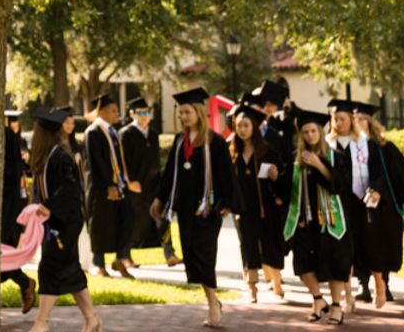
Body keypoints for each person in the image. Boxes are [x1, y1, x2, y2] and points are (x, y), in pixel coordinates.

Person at [148, 88, 231, 327]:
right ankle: (211, 299)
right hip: (185, 209)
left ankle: (214, 304)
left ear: (199, 111)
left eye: (187, 112)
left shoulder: (215, 142)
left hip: (208, 209)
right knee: (193, 254)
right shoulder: (179, 141)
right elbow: (169, 174)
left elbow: (226, 174)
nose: (183, 117)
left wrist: (227, 203)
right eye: (181, 113)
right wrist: (159, 198)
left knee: (205, 255)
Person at [337, 100, 404, 311]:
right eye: (354, 120)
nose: (357, 124)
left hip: (382, 206)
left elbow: (400, 173)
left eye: (361, 120)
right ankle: (363, 284)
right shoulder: (347, 148)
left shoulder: (384, 148)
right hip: (355, 205)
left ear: (370, 123)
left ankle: (383, 282)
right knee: (358, 243)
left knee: (382, 243)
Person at [27, 106, 100, 332]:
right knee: (68, 269)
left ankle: (41, 323)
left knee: (50, 267)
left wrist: (49, 207)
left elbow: (72, 190)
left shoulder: (59, 156)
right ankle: (91, 319)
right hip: (57, 221)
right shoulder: (50, 156)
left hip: (64, 222)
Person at [286, 107, 354, 324]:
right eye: (305, 132)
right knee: (302, 265)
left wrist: (318, 165)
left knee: (335, 264)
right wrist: (276, 178)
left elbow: (341, 186)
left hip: (331, 220)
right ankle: (318, 299)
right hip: (305, 221)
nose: (310, 136)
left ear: (321, 132)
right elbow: (287, 190)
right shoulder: (296, 160)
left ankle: (335, 307)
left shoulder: (336, 157)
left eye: (313, 131)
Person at [228, 105, 288, 303]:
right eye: (239, 126)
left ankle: (277, 283)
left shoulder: (267, 151)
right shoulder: (232, 153)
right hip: (243, 209)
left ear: (253, 126)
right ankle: (252, 289)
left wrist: (276, 177)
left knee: (271, 244)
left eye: (246, 125)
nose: (242, 129)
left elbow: (281, 178)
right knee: (248, 248)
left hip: (266, 207)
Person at [82, 95, 139, 279]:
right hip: (102, 188)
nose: (117, 114)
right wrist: (108, 185)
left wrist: (125, 181)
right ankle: (99, 265)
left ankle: (120, 259)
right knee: (100, 225)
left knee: (127, 219)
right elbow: (96, 162)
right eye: (114, 110)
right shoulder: (93, 132)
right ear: (102, 112)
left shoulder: (113, 131)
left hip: (119, 185)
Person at [0, 108, 37, 311]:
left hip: (8, 204)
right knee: (0, 251)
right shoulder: (5, 136)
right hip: (8, 202)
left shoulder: (7, 137)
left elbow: (12, 173)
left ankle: (25, 283)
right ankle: (24, 283)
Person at [121, 98, 165, 259]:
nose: (144, 116)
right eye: (140, 113)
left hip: (153, 184)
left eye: (147, 112)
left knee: (161, 218)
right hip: (134, 186)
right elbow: (122, 161)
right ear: (132, 114)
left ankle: (169, 253)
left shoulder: (153, 134)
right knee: (132, 222)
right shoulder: (125, 134)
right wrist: (129, 181)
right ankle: (126, 256)